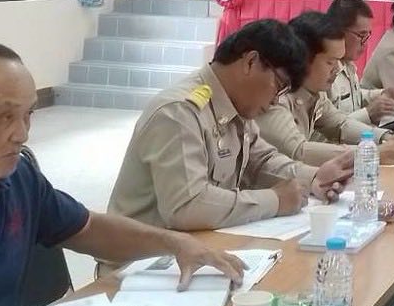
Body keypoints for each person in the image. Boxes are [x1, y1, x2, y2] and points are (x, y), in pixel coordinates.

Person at [0, 41, 242, 306]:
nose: (22, 134)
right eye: (3, 117)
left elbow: (88, 228)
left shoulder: (18, 177)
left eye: (29, 115)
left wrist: (174, 243)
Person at [107, 20, 352, 232]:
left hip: (194, 249)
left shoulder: (235, 107)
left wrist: (313, 177)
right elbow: (187, 206)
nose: (276, 101)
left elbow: (262, 160)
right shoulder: (179, 113)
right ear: (251, 62)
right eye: (279, 86)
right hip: (143, 264)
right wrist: (275, 200)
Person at [256, 12, 394, 166]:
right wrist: (373, 153)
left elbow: (340, 124)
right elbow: (298, 151)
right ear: (303, 58)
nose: (337, 69)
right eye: (330, 62)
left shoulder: (314, 93)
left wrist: (387, 137)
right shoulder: (276, 95)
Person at [326, 0, 394, 124]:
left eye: (368, 35)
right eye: (361, 35)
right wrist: (368, 113)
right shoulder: (324, 71)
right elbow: (326, 128)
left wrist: (382, 94)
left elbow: (355, 96)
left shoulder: (348, 64)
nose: (365, 43)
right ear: (338, 32)